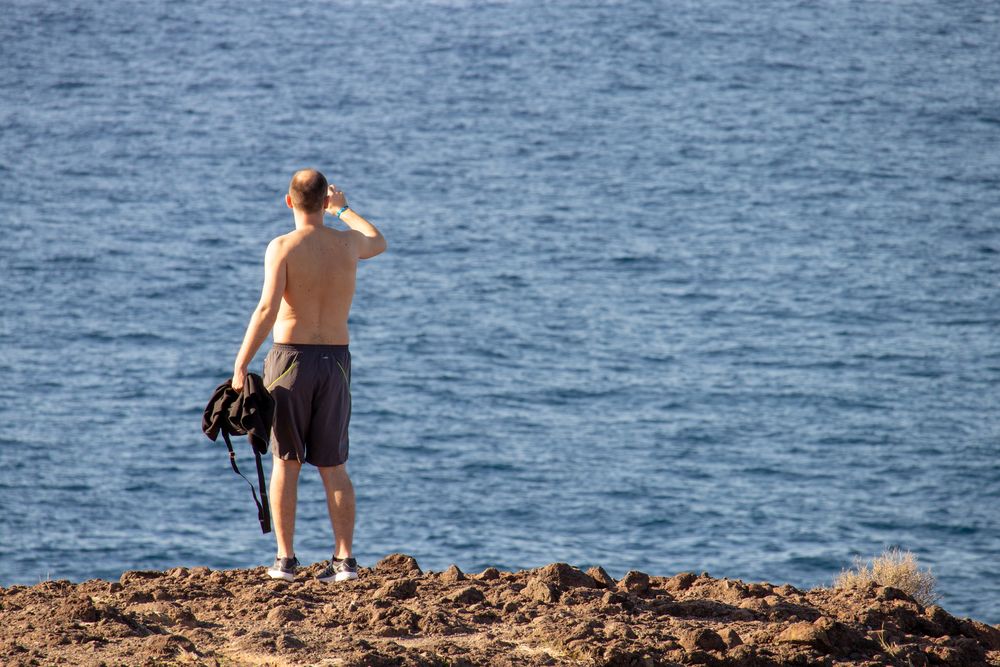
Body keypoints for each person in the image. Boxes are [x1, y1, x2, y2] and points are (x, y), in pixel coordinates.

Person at [231, 168, 386, 582]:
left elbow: (266, 310)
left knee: (286, 461)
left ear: (288, 202)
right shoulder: (348, 243)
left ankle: (285, 561)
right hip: (335, 360)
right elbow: (379, 241)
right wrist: (345, 210)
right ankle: (345, 561)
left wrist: (241, 363)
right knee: (333, 465)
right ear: (324, 202)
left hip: (290, 360)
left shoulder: (281, 246)